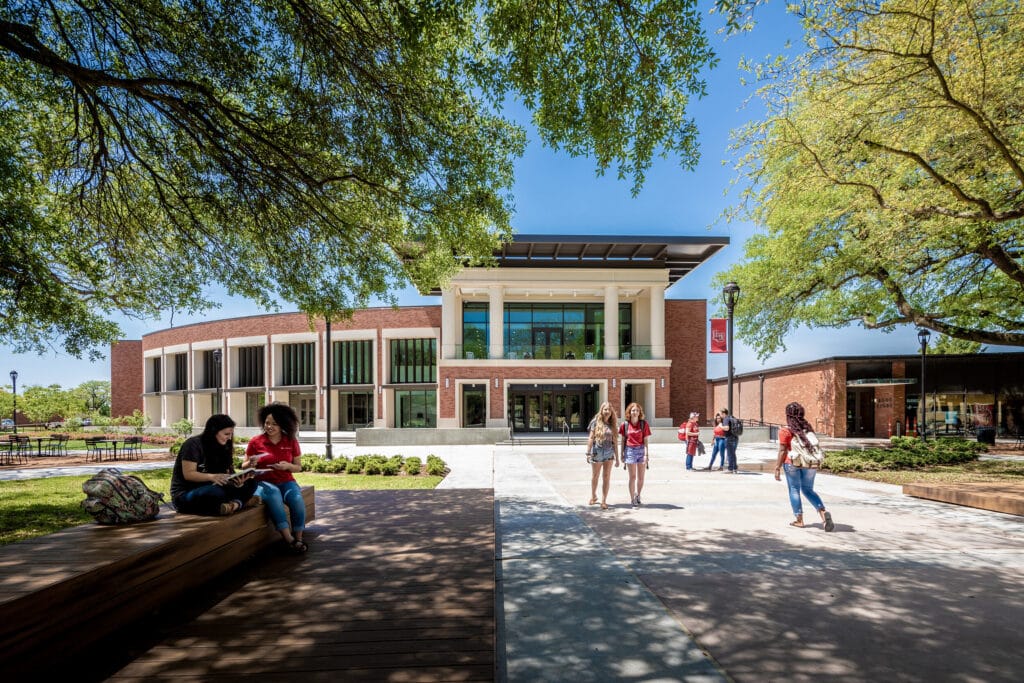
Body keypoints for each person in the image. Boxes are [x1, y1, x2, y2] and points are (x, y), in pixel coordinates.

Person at [243, 402, 308, 553]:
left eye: (274, 424)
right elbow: (243, 466)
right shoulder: (255, 442)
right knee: (273, 494)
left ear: (283, 425)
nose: (269, 426)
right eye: (267, 423)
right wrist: (251, 463)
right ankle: (289, 540)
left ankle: (298, 538)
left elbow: (298, 467)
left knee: (297, 499)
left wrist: (288, 466)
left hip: (286, 481)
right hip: (262, 484)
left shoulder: (291, 440)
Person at [171, 414, 257, 516]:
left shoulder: (224, 447)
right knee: (216, 492)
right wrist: (212, 477)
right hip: (186, 493)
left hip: (213, 487)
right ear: (213, 431)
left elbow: (228, 474)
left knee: (252, 483)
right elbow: (189, 474)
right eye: (226, 434)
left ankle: (234, 504)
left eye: (231, 434)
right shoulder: (193, 445)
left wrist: (237, 482)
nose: (229, 438)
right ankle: (241, 502)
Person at [774, 402, 835, 531]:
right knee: (808, 490)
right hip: (809, 463)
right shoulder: (808, 429)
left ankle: (799, 520)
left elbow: (783, 450)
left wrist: (777, 468)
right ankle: (824, 515)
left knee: (794, 490)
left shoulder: (785, 430)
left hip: (792, 463)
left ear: (788, 415)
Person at [586, 402, 620, 510]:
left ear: (611, 412)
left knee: (606, 477)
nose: (607, 412)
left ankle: (604, 501)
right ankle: (593, 496)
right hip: (597, 452)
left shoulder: (613, 424)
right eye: (605, 409)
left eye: (609, 410)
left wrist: (617, 458)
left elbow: (615, 442)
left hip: (609, 453)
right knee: (595, 476)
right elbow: (591, 438)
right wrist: (588, 452)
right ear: (601, 410)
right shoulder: (595, 422)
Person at [619, 402, 652, 508]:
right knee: (632, 477)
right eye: (633, 410)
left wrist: (647, 455)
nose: (635, 412)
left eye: (637, 410)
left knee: (641, 477)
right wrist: (622, 454)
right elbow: (623, 440)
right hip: (629, 450)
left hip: (641, 450)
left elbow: (646, 441)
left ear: (639, 412)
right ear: (629, 412)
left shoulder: (644, 424)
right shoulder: (625, 425)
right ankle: (632, 498)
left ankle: (638, 495)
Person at [720, 407, 740, 473]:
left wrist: (721, 426)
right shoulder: (732, 417)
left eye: (720, 414)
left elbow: (727, 428)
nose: (720, 415)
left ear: (723, 413)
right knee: (733, 453)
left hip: (729, 438)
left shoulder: (726, 419)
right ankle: (735, 468)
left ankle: (730, 469)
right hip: (735, 437)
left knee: (729, 454)